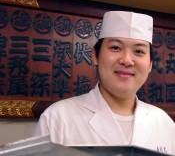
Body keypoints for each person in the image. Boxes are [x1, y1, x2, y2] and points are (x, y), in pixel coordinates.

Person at [34, 11, 175, 155]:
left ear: (150, 64)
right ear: (95, 56)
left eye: (138, 51)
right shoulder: (57, 118)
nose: (126, 60)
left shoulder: (164, 123)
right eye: (115, 47)